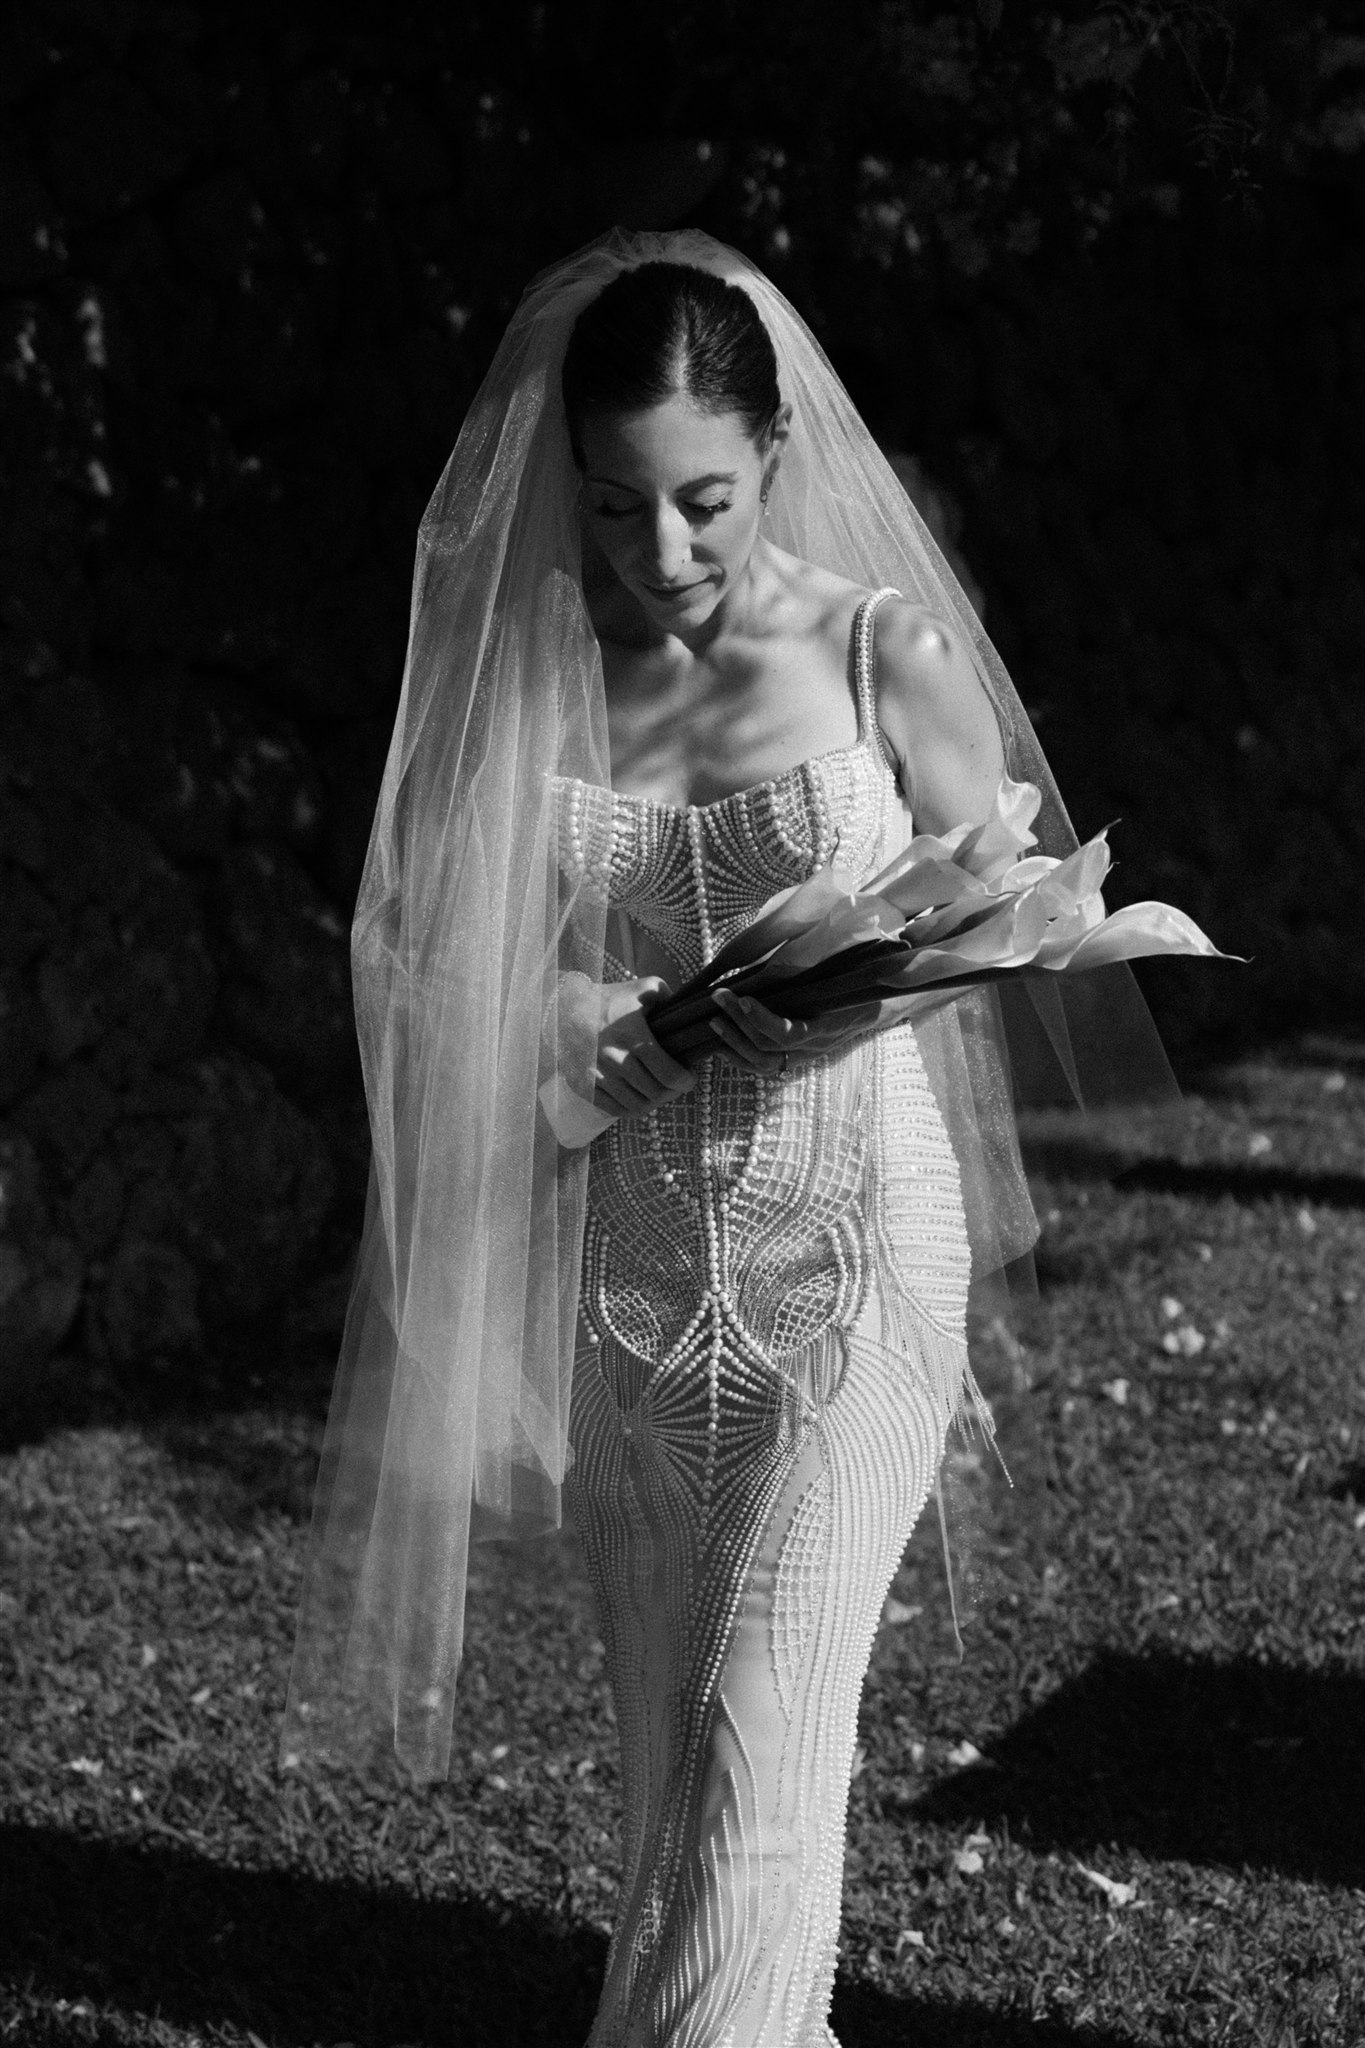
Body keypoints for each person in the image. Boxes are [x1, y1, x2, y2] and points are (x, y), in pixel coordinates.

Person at [282, 230, 1173, 2048]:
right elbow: (446, 973)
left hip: (849, 1257)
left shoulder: (877, 648)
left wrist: (856, 985)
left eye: (701, 501)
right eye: (614, 510)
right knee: (676, 1798)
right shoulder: (528, 681)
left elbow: (997, 922)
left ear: (772, 455)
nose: (662, 556)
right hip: (625, 1286)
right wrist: (576, 1029)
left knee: (761, 1749)